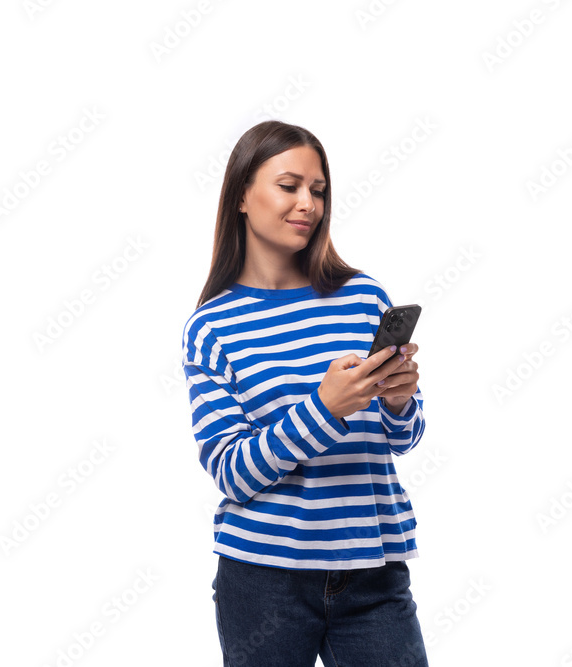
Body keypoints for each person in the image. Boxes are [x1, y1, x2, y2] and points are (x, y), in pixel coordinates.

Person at [181, 120, 429, 667]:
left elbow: (402, 439)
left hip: (374, 570)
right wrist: (323, 409)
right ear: (242, 195)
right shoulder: (212, 326)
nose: (307, 204)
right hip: (263, 581)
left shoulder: (362, 297)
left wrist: (398, 401)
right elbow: (230, 470)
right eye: (289, 186)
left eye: (317, 190)